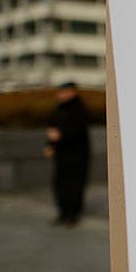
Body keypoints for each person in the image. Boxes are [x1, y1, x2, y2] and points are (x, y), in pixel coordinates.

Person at [44, 81, 91, 226]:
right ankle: (63, 212)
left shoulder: (79, 109)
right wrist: (50, 144)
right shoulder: (58, 108)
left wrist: (61, 135)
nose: (61, 95)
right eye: (60, 92)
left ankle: (73, 214)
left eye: (64, 92)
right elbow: (52, 129)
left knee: (75, 184)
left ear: (72, 92)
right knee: (60, 183)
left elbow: (78, 131)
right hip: (61, 154)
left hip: (77, 155)